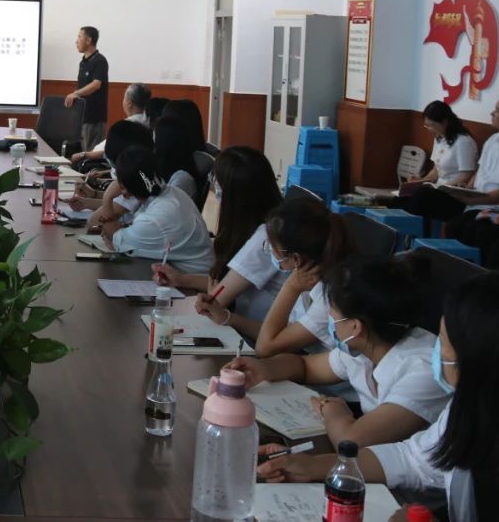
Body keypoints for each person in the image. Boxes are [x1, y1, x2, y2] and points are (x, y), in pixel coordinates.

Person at [256, 272, 499, 522]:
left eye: (443, 342)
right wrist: (315, 466)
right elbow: (412, 459)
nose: (436, 351)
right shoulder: (473, 410)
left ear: (477, 362)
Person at [227, 254, 448, 448]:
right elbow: (305, 366)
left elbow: (352, 442)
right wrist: (263, 368)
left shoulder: (423, 370)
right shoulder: (367, 344)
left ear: (355, 326)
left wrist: (332, 410)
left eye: (332, 315)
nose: (330, 320)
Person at [153, 146, 284, 336]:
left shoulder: (266, 238)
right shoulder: (265, 224)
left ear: (234, 194)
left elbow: (216, 298)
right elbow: (226, 283)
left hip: (254, 336)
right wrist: (181, 279)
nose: (214, 187)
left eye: (216, 182)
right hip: (248, 328)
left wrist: (209, 293)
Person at [406, 91, 499, 259]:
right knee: (423, 197)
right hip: (475, 202)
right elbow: (478, 173)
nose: (492, 113)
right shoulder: (493, 140)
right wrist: (465, 189)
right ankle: (413, 250)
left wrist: (473, 199)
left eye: (497, 110)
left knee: (471, 229)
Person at [250, 197, 355, 356]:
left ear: (296, 259)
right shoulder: (312, 275)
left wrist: (291, 287)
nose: (269, 250)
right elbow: (279, 332)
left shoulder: (330, 297)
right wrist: (229, 318)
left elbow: (265, 348)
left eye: (272, 247)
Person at [100, 146, 213, 273]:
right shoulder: (174, 193)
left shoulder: (154, 219)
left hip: (191, 282)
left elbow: (112, 236)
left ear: (123, 189)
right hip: (191, 275)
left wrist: (107, 197)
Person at [77, 120, 154, 223]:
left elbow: (94, 222)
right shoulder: (146, 174)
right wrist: (92, 196)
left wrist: (106, 197)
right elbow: (117, 203)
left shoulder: (135, 181)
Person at [70, 82, 151, 166]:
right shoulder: (149, 123)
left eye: (124, 98)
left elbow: (109, 153)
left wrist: (83, 154)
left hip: (104, 165)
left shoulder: (125, 127)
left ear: (129, 103)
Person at [65, 26, 108, 153]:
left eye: (79, 37)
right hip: (82, 116)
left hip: (94, 119)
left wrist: (75, 93)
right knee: (81, 153)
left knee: (91, 154)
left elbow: (96, 84)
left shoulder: (100, 60)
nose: (76, 41)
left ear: (88, 40)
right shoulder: (83, 62)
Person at [153, 115, 202, 202]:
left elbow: (165, 207)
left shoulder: (182, 178)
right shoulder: (165, 170)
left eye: (155, 139)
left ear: (164, 143)